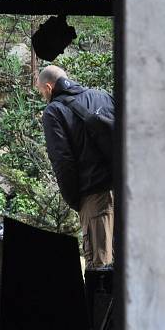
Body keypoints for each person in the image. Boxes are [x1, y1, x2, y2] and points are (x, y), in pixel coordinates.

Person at [36, 65, 114, 269]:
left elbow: (63, 162)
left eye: (42, 92)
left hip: (94, 198)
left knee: (100, 271)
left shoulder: (54, 111)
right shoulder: (103, 96)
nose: (43, 96)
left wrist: (76, 200)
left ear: (49, 87)